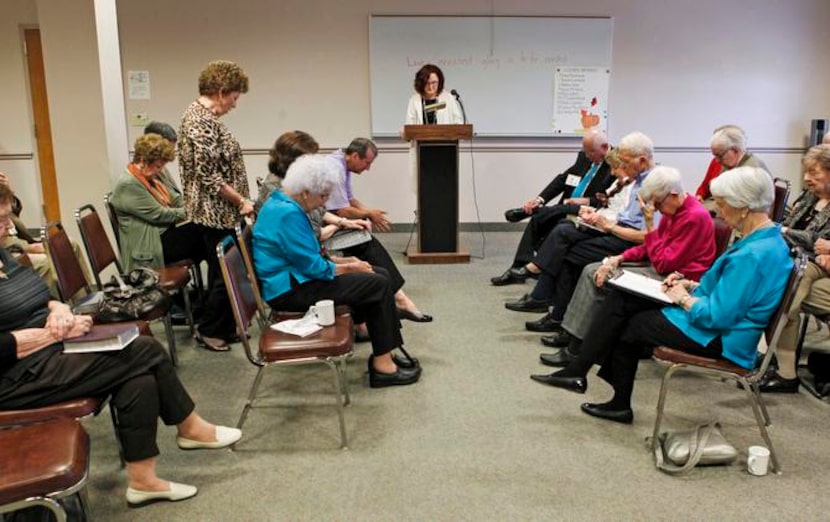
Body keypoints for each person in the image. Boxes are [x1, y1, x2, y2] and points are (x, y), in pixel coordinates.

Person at [0, 183, 241, 508]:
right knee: (143, 351)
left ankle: (144, 481)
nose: (10, 226)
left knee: (136, 375)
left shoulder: (2, 252)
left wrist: (60, 311)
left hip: (47, 352)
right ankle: (190, 426)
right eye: (1, 220)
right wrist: (48, 335)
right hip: (15, 376)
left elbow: (41, 296)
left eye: (7, 217)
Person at [530, 167, 790, 424]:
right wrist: (690, 286)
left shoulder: (752, 255)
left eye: (722, 205)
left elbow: (717, 317)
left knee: (628, 321)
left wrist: (683, 298)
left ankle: (595, 384)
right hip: (721, 325)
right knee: (624, 303)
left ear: (743, 206)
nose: (719, 212)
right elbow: (730, 294)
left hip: (723, 338)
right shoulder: (765, 240)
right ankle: (586, 377)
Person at [253, 155, 421, 388]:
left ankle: (387, 352)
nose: (323, 204)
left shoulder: (281, 201)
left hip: (294, 279)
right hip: (289, 291)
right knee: (377, 282)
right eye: (322, 196)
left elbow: (303, 256)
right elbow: (314, 267)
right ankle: (383, 367)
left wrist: (345, 263)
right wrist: (350, 266)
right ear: (305, 191)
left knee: (378, 274)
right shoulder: (289, 214)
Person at [539, 166, 716, 365]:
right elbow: (652, 247)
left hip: (676, 279)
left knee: (598, 277)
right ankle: (574, 336)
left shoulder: (694, 217)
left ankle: (578, 347)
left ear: (673, 194)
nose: (656, 209)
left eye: (657, 203)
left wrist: (649, 224)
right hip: (664, 269)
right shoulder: (675, 210)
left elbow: (662, 263)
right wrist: (620, 258)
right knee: (593, 269)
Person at [506, 132, 656, 330]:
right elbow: (564, 180)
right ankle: (551, 308)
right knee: (557, 227)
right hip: (606, 222)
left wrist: (600, 217)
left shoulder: (649, 184)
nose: (620, 168)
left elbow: (646, 233)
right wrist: (597, 216)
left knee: (564, 240)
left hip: (618, 233)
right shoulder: (630, 179)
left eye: (625, 163)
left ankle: (546, 297)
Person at [178, 60, 253, 351]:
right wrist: (242, 201)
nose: (234, 105)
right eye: (234, 98)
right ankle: (210, 330)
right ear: (222, 92)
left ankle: (220, 326)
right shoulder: (200, 121)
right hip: (215, 213)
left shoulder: (203, 118)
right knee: (226, 273)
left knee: (221, 272)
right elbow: (210, 176)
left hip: (217, 212)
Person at [326, 138, 432, 322]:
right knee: (363, 243)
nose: (368, 168)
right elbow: (340, 209)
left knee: (362, 236)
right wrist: (368, 214)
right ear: (354, 155)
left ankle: (387, 300)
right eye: (367, 163)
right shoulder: (334, 169)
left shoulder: (343, 164)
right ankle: (398, 298)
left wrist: (368, 213)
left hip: (326, 217)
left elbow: (349, 199)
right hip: (316, 221)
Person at [491, 129, 614, 286]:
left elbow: (611, 198)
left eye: (591, 152)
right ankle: (518, 267)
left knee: (552, 213)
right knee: (538, 218)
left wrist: (586, 201)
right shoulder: (585, 157)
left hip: (588, 211)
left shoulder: (616, 163)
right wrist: (539, 199)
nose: (587, 156)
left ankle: (533, 215)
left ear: (604, 147)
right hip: (565, 206)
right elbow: (563, 179)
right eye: (585, 151)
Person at [759, 144, 830, 392]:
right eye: (806, 172)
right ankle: (779, 363)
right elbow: (790, 228)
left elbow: (815, 242)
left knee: (790, 286)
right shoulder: (811, 196)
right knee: (788, 281)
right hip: (805, 262)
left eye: (814, 172)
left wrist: (787, 233)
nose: (806, 178)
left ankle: (783, 368)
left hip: (813, 266)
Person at [110, 133, 204, 272]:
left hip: (162, 235)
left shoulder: (149, 176)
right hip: (149, 246)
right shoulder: (128, 184)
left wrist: (194, 206)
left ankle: (219, 288)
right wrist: (197, 210)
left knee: (210, 232)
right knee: (207, 232)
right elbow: (159, 215)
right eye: (158, 166)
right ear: (142, 160)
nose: (160, 170)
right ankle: (220, 289)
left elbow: (175, 199)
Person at [696, 125, 770, 211]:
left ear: (735, 150)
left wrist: (701, 210)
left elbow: (736, 207)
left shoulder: (752, 171)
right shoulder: (730, 165)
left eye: (720, 156)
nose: (717, 161)